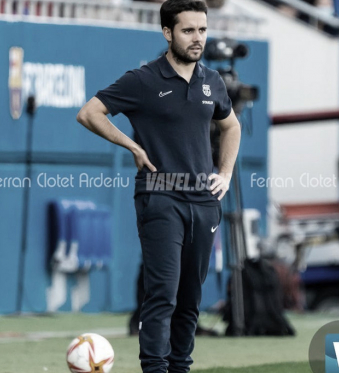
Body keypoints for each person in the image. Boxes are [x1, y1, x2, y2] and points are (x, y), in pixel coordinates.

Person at [76, 1, 241, 372]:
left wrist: (225, 174)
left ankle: (179, 368)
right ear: (168, 33)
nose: (197, 38)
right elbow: (89, 113)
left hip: (204, 200)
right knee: (163, 293)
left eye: (202, 30)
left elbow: (231, 126)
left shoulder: (212, 81)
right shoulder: (143, 80)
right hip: (160, 196)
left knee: (190, 298)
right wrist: (132, 145)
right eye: (188, 31)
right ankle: (154, 368)